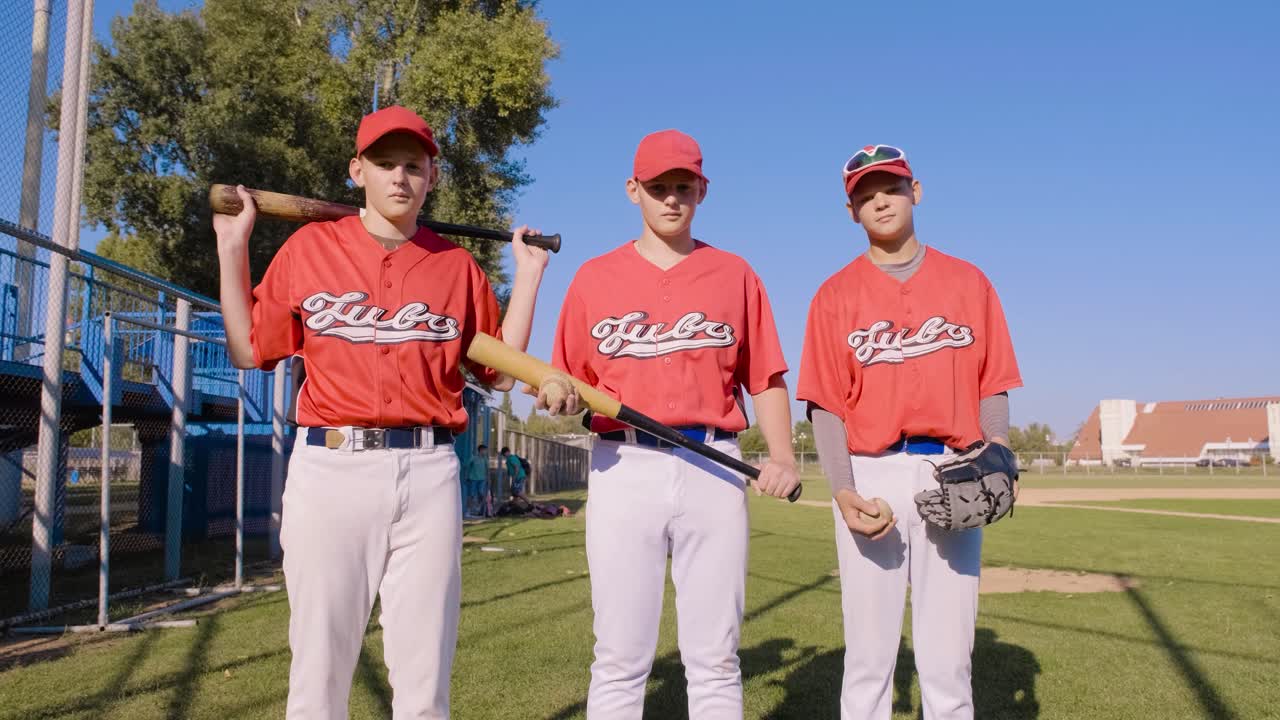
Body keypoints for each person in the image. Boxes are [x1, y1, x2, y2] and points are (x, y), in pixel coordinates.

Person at [213, 104, 565, 719]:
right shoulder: (308, 249)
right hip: (330, 468)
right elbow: (249, 350)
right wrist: (233, 247)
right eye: (384, 163)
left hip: (429, 470)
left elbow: (499, 371)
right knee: (319, 671)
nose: (399, 176)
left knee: (425, 677)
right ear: (357, 170)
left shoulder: (456, 266)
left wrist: (528, 278)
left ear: (432, 176)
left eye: (414, 165)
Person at [545, 129, 799, 719]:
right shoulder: (594, 277)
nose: (670, 199)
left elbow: (765, 377)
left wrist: (782, 455)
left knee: (714, 657)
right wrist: (556, 393)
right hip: (623, 463)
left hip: (713, 462)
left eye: (683, 186)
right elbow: (564, 379)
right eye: (657, 187)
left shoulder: (734, 274)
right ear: (633, 190)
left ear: (702, 190)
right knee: (619, 655)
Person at [797, 144, 1022, 720]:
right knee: (870, 658)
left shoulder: (968, 282)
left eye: (890, 189)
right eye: (865, 196)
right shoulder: (834, 295)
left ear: (914, 192)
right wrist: (842, 490)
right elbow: (826, 405)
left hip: (955, 469)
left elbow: (991, 382)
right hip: (870, 473)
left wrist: (994, 450)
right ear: (851, 212)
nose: (880, 202)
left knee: (948, 661)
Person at [465, 443, 490, 519]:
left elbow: (487, 470)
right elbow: (467, 466)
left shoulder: (485, 459)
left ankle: (478, 508)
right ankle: (468, 511)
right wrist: (467, 476)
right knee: (471, 495)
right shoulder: (473, 458)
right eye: (484, 450)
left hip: (482, 480)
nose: (485, 452)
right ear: (480, 450)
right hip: (473, 479)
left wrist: (489, 479)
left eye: (486, 451)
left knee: (481, 494)